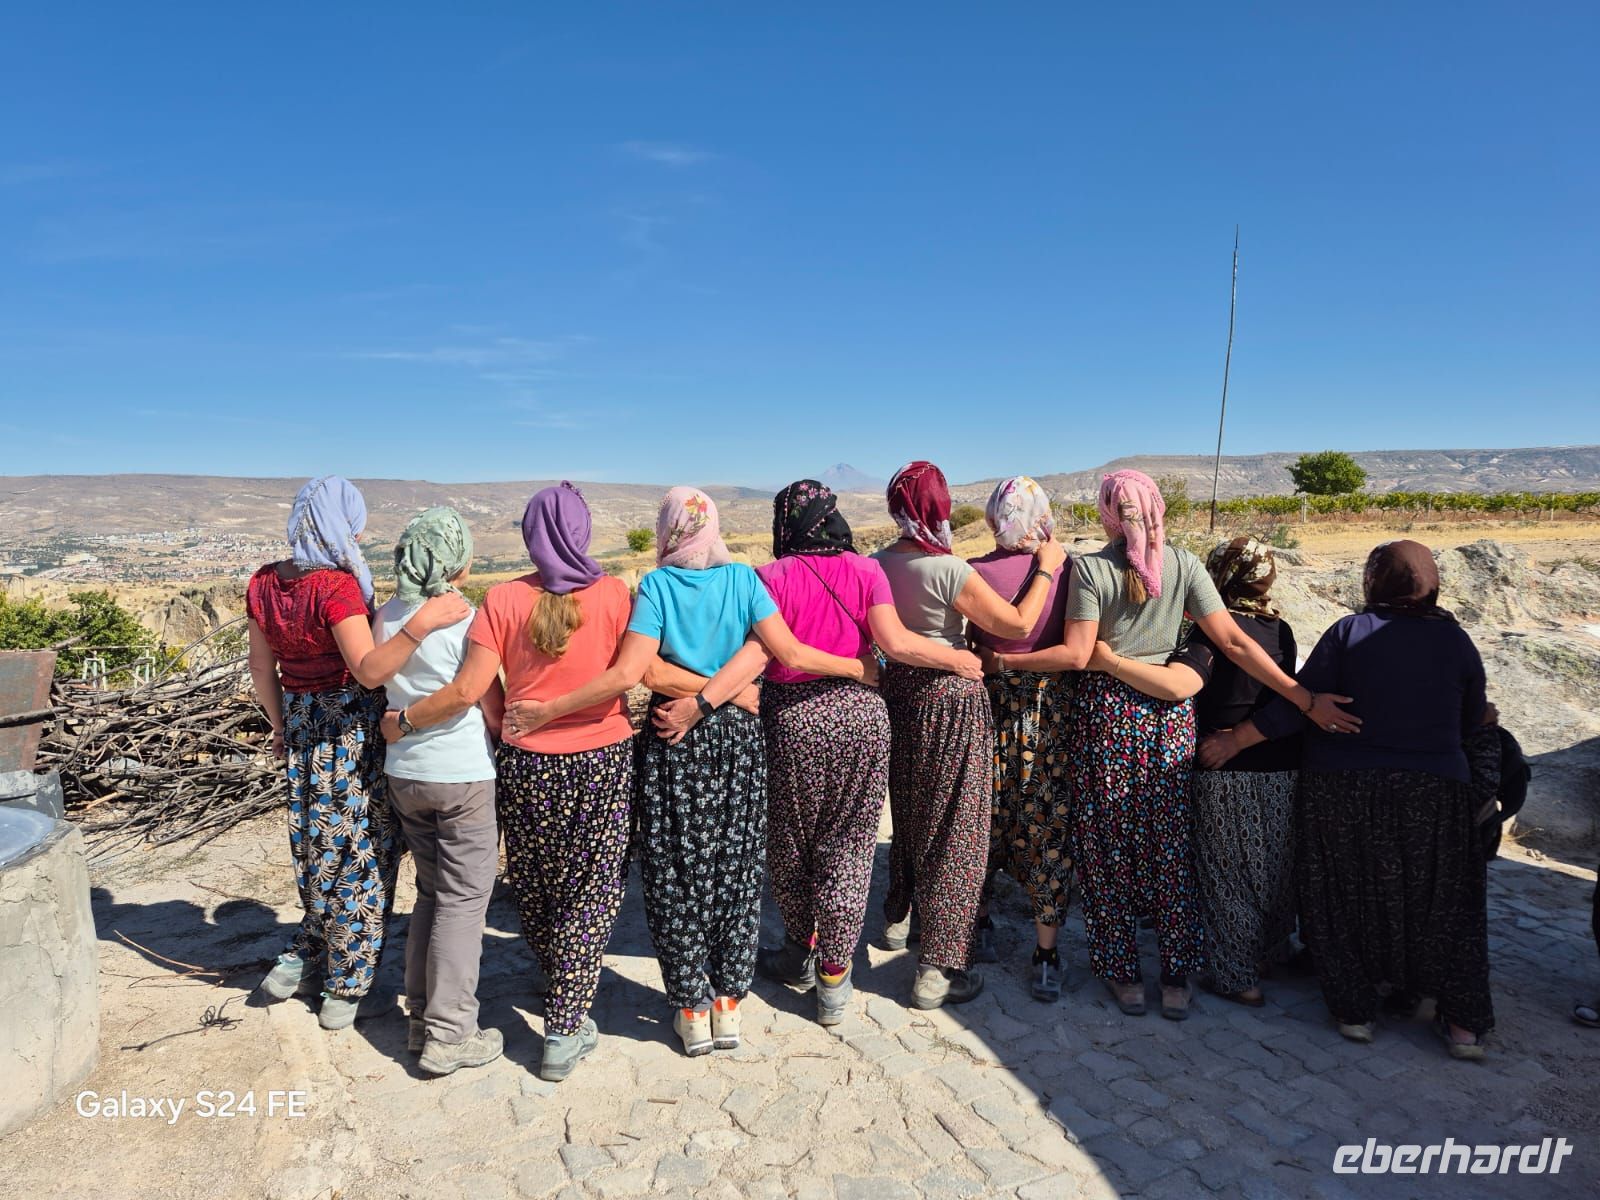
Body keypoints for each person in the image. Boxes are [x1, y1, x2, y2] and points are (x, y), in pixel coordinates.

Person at [504, 487, 873, 1057]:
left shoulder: (656, 587)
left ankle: (691, 1010)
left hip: (673, 739)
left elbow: (643, 671)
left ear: (667, 531)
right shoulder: (744, 580)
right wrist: (729, 693)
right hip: (738, 741)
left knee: (675, 876)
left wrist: (695, 701)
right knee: (737, 870)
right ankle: (728, 1005)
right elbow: (779, 651)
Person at [989, 470, 1354, 1021]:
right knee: (1170, 849)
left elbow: (1080, 654)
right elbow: (1233, 641)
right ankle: (1177, 977)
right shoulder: (1184, 565)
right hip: (1169, 720)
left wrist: (1006, 662)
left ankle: (1124, 977)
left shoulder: (1091, 570)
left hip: (1108, 718)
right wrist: (1303, 698)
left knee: (1108, 850)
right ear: (1158, 509)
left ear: (1107, 515)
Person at [648, 480, 984, 1026]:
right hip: (862, 718)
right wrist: (954, 660)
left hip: (791, 722)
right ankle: (834, 978)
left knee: (790, 845)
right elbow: (893, 642)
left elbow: (761, 653)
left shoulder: (771, 576)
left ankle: (798, 952)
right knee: (850, 847)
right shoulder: (866, 571)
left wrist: (703, 701)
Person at [1200, 540, 1496, 1058]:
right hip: (1434, 794)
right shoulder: (1455, 640)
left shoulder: (1350, 633)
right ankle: (1462, 1026)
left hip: (1345, 791)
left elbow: (1300, 704)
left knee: (1343, 897)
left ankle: (1354, 1011)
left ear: (1374, 581)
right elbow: (1475, 721)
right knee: (1444, 902)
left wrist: (1236, 740)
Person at [383, 483, 633, 1082]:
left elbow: (482, 691)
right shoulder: (615, 594)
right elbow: (632, 670)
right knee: (591, 889)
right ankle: (565, 1024)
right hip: (602, 758)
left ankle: (555, 976)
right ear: (583, 531)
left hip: (526, 764)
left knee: (536, 882)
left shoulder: (501, 599)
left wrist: (509, 726)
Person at [246, 476, 469, 1029]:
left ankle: (303, 955)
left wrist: (280, 725)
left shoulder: (264, 582)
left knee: (318, 848)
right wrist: (420, 626)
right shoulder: (336, 588)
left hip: (301, 723)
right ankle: (345, 987)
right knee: (362, 853)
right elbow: (369, 670)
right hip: (349, 728)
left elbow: (261, 666)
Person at [872, 461, 1067, 1009]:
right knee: (958, 828)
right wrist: (1047, 569)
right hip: (950, 700)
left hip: (897, 696)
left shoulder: (875, 564)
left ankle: (899, 918)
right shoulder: (950, 570)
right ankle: (940, 968)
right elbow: (1016, 624)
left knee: (910, 810)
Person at [1081, 537, 1300, 1006]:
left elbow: (1182, 683)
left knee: (1223, 876)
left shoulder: (1207, 634)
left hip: (1221, 769)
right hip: (1280, 767)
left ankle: (1235, 975)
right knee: (1269, 868)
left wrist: (1110, 661)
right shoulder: (1279, 629)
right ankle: (1250, 959)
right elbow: (1282, 695)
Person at [372, 507, 503, 1076]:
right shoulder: (467, 618)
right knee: (464, 900)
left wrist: (402, 725)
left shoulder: (386, 617)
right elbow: (484, 699)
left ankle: (421, 1017)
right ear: (455, 561)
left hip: (405, 773)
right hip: (461, 773)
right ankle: (450, 1034)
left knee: (430, 893)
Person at [966, 476, 1075, 1002]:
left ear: (994, 516)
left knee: (981, 818)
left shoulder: (972, 571)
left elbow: (971, 645)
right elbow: (1077, 648)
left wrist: (1000, 662)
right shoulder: (1067, 570)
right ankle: (1046, 954)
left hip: (989, 709)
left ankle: (980, 925)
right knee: (1049, 825)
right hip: (1050, 713)